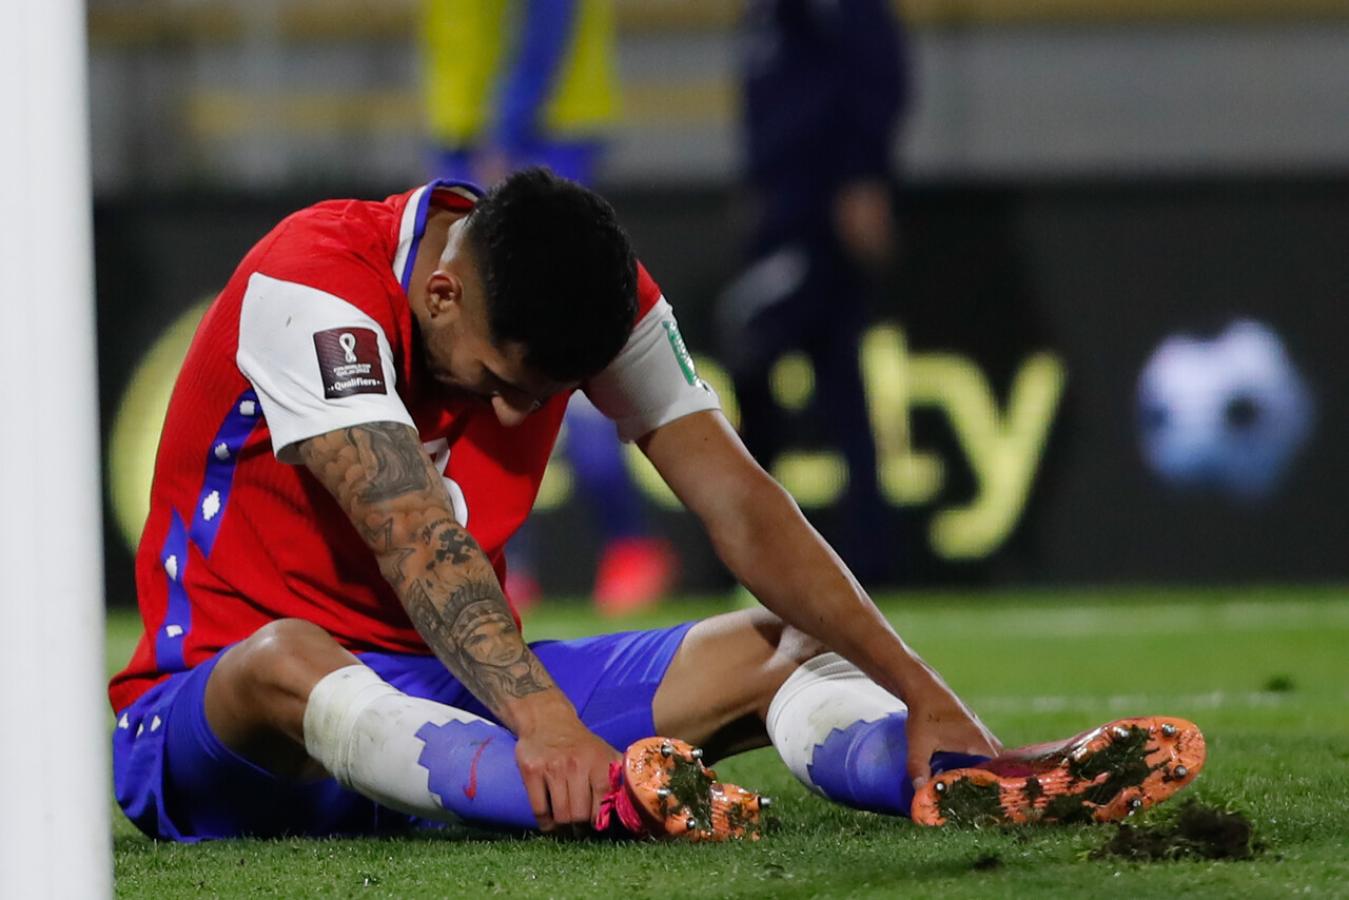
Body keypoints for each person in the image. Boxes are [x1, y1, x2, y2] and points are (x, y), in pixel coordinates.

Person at [109, 170, 1205, 842]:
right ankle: (613, 799)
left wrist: (921, 691)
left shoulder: (600, 299)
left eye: (545, 394)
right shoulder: (311, 284)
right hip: (213, 731)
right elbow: (413, 534)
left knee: (790, 644)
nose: (515, 410)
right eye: (501, 380)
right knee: (287, 658)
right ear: (440, 291)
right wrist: (547, 722)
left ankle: (942, 775)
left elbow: (741, 503)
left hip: (442, 713)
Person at [419, 0, 676, 613]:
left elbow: (548, 15)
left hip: (533, 137)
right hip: (469, 135)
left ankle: (627, 541)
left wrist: (504, 133)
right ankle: (509, 557)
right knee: (479, 353)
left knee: (546, 339)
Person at [720, 0, 905, 582]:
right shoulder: (768, 15)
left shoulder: (836, 10)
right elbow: (769, 103)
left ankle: (762, 544)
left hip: (817, 217)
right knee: (840, 383)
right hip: (781, 212)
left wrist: (862, 175)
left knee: (749, 341)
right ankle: (862, 552)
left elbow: (878, 72)